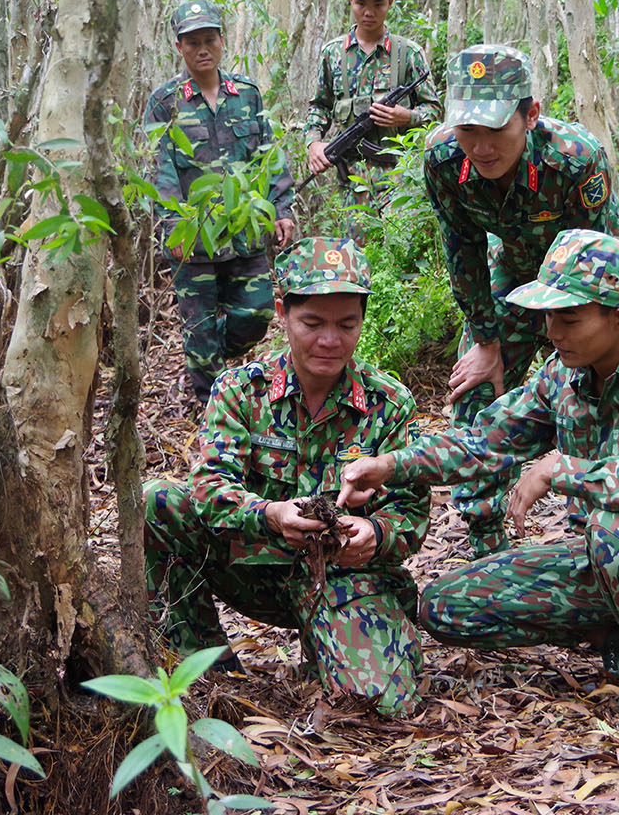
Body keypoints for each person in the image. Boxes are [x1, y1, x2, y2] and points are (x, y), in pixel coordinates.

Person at [337, 230, 619, 722]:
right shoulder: (563, 375)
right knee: (443, 608)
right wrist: (390, 466)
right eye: (548, 316)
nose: (553, 332)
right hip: (598, 560)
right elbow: (482, 443)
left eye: (569, 319)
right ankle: (618, 629)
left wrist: (561, 468)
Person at [143, 237, 430, 716]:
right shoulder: (241, 391)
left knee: (383, 705)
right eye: (312, 323)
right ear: (282, 313)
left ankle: (334, 644)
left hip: (343, 575)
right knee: (158, 502)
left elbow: (412, 510)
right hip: (254, 564)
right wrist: (271, 514)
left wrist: (376, 533)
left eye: (347, 324)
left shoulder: (389, 403)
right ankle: (203, 667)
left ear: (362, 320)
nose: (330, 340)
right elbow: (210, 487)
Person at [422, 44, 619, 557]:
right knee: (473, 393)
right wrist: (487, 340)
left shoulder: (575, 158)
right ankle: (487, 540)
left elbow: (607, 261)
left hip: (590, 287)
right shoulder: (445, 159)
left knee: (597, 397)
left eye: (496, 129)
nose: (481, 146)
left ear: (530, 114)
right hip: (515, 280)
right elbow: (463, 251)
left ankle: (599, 539)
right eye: (468, 130)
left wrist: (596, 344)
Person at [146, 0, 297, 403]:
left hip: (243, 229)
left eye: (209, 39)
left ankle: (211, 357)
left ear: (222, 40)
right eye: (192, 42)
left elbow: (269, 155)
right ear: (179, 47)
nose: (202, 49)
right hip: (193, 237)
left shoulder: (246, 94)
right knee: (199, 326)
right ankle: (211, 406)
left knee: (258, 312)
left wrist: (281, 209)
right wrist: (172, 226)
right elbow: (160, 170)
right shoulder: (166, 102)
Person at [304, 0, 441, 210]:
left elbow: (434, 111)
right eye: (361, 3)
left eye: (378, 3)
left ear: (390, 2)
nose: (369, 12)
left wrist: (407, 117)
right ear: (350, 1)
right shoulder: (333, 54)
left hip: (402, 180)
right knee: (353, 250)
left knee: (401, 248)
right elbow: (319, 107)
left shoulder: (409, 54)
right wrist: (313, 143)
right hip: (353, 183)